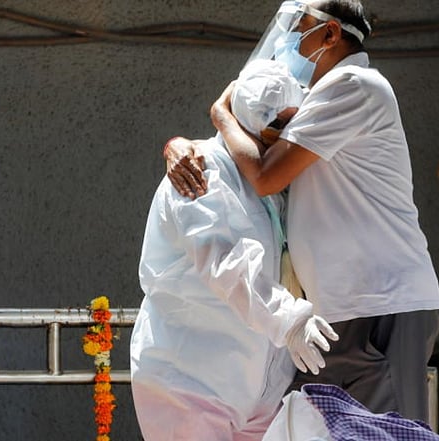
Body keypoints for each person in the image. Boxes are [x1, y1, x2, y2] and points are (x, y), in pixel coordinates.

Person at [165, 0, 439, 423]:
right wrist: (180, 146)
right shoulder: (316, 98)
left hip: (381, 304)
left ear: (330, 34)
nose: (287, 38)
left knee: (385, 435)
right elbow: (243, 152)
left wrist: (220, 114)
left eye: (299, 25)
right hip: (334, 313)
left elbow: (263, 174)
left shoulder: (353, 84)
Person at [129, 59, 338, 441]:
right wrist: (289, 320)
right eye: (278, 125)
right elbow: (226, 261)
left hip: (255, 390)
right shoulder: (201, 170)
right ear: (250, 121)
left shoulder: (265, 184)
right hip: (191, 381)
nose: (287, 137)